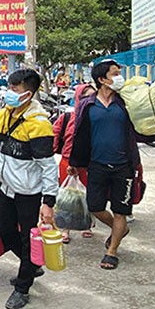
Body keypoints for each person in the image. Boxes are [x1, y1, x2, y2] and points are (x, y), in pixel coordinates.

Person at [68, 60, 155, 270]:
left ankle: (112, 251)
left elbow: (144, 125)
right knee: (96, 207)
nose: (119, 77)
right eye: (115, 74)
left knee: (121, 210)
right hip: (96, 165)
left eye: (120, 73)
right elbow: (79, 135)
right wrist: (74, 162)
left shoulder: (126, 103)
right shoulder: (88, 105)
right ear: (102, 79)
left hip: (124, 167)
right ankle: (119, 229)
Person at [0, 68, 58, 309]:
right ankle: (31, 265)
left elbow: (49, 167)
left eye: (14, 89)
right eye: (9, 87)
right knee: (7, 232)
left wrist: (48, 202)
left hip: (29, 194)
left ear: (28, 94)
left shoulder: (39, 124)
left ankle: (23, 287)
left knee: (28, 239)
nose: (9, 92)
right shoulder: (2, 117)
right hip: (5, 189)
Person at [53, 84, 96, 242]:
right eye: (85, 97)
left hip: (89, 163)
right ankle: (65, 228)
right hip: (67, 162)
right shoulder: (67, 117)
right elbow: (55, 134)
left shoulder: (95, 117)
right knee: (67, 196)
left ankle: (87, 223)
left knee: (87, 195)